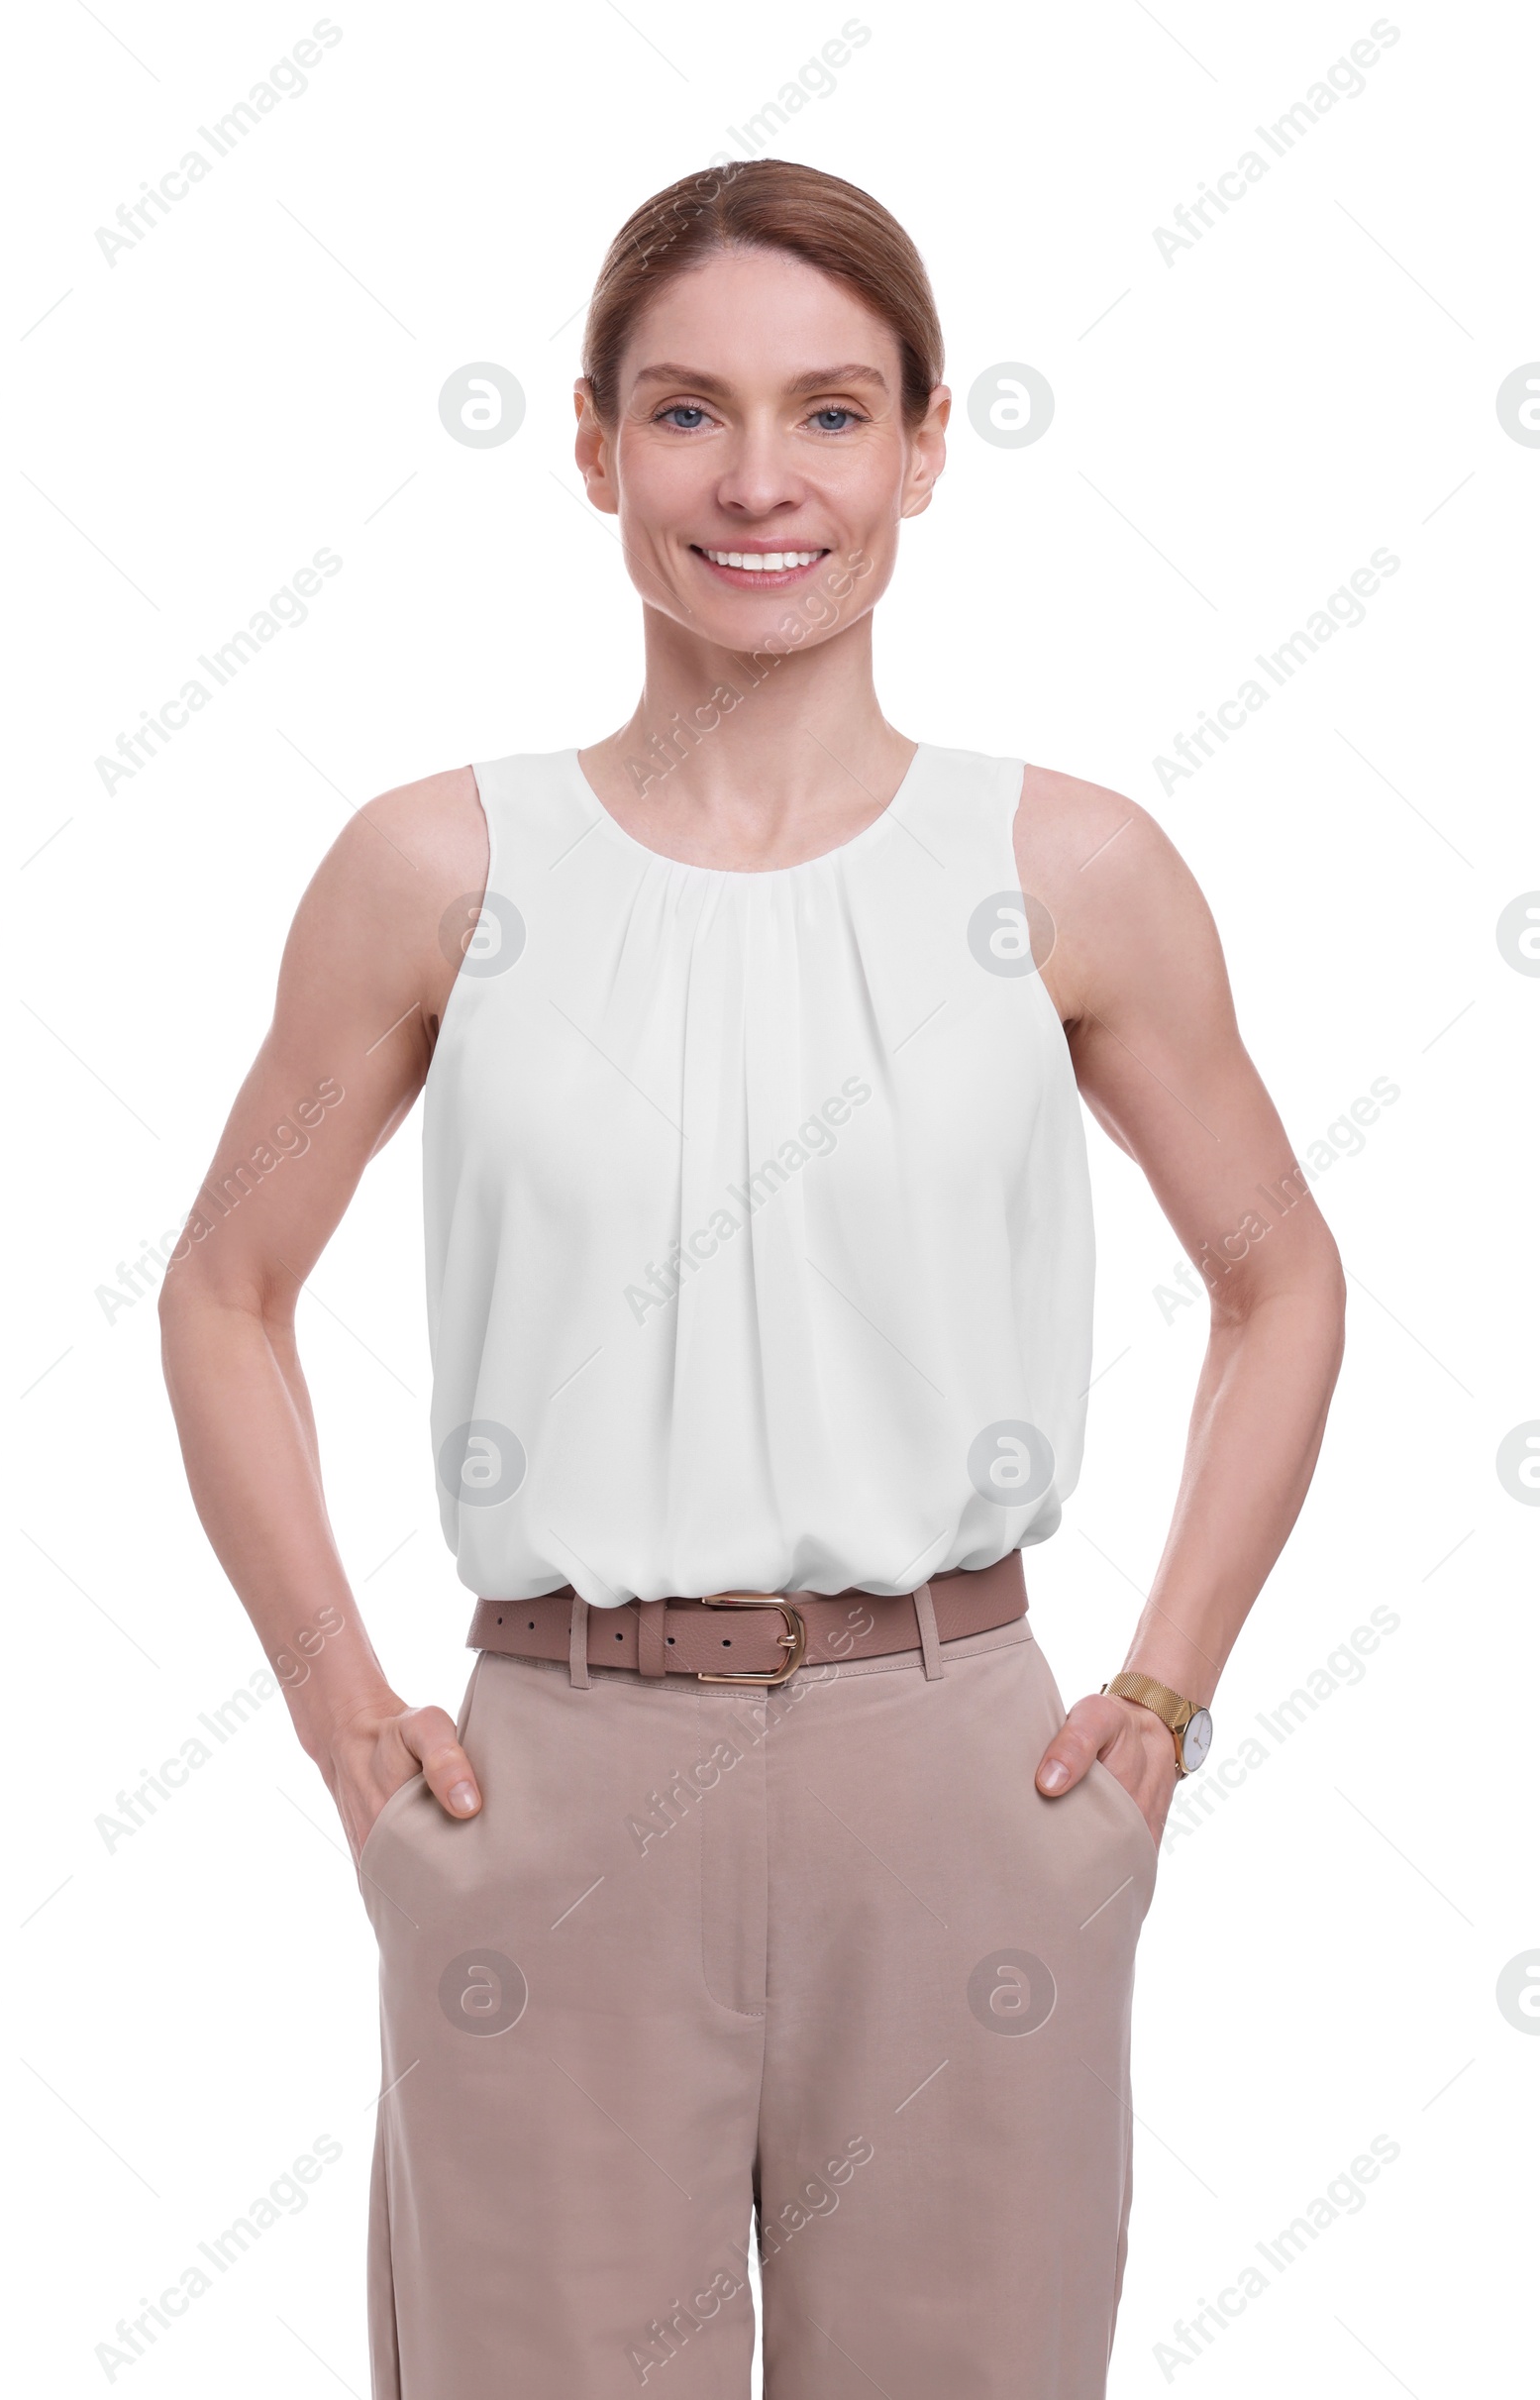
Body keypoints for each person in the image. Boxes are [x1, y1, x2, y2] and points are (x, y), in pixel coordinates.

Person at [158, 159, 1345, 2400]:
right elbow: (223, 1287)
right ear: (594, 445)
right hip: (553, 1787)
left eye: (826, 410)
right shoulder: (433, 871)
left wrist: (1162, 1713)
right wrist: (342, 1725)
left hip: (963, 1785)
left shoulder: (1069, 869)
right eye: (688, 412)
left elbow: (1281, 1281)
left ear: (920, 444)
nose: (758, 479)